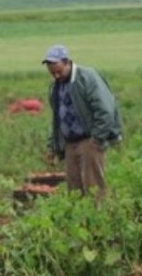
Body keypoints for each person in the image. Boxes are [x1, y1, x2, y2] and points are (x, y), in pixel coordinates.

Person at [43, 44, 122, 196]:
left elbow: (105, 110)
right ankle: (79, 220)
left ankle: (98, 218)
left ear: (67, 62)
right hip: (69, 143)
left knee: (93, 188)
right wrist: (53, 146)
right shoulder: (55, 87)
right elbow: (56, 120)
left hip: (89, 139)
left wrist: (97, 139)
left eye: (59, 71)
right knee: (74, 190)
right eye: (53, 73)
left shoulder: (87, 78)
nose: (56, 76)